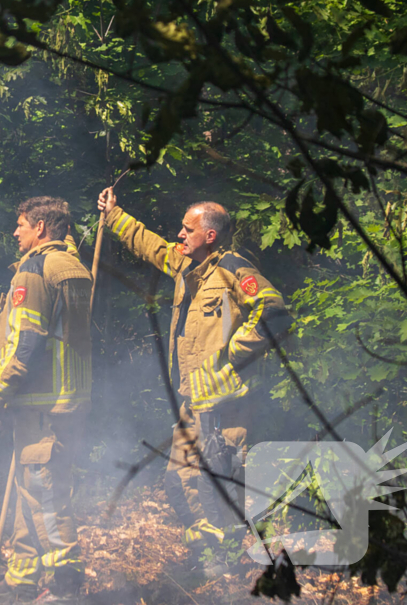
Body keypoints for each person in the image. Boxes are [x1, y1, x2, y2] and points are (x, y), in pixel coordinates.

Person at [97, 188, 291, 564]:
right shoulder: (186, 265)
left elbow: (275, 314)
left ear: (210, 235)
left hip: (226, 403)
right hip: (193, 400)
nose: (180, 234)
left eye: (188, 229)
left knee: (218, 484)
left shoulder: (234, 269)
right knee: (180, 481)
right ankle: (206, 555)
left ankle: (229, 563)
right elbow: (150, 245)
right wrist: (114, 214)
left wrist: (232, 354)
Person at [0, 197, 93, 602]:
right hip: (68, 401)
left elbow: (26, 339)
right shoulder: (72, 266)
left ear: (41, 227)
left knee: (44, 494)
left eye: (22, 225)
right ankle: (23, 576)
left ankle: (66, 586)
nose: (16, 232)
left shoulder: (33, 270)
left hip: (41, 403)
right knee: (31, 490)